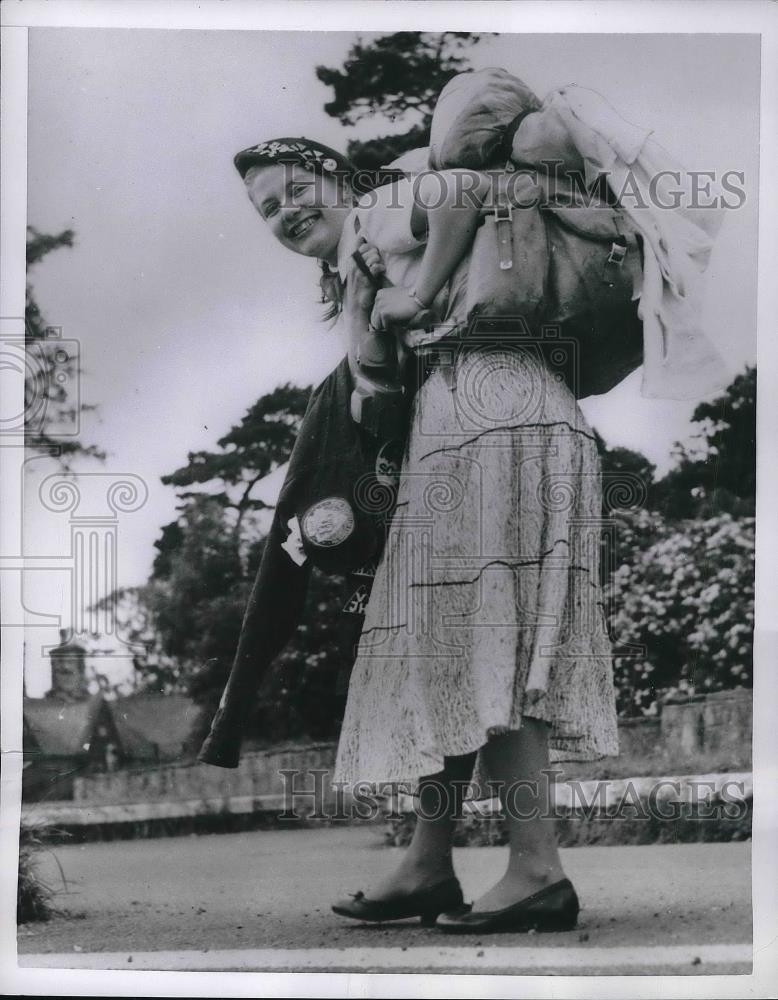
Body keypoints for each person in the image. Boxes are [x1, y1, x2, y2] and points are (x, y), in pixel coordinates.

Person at [226, 134, 619, 933]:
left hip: (488, 418)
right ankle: (429, 865)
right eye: (269, 208)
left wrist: (418, 292)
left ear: (339, 178)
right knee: (452, 649)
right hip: (481, 418)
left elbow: (459, 189)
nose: (286, 211)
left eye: (298, 188)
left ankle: (538, 871)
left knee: (487, 645)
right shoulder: (361, 256)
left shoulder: (381, 207)